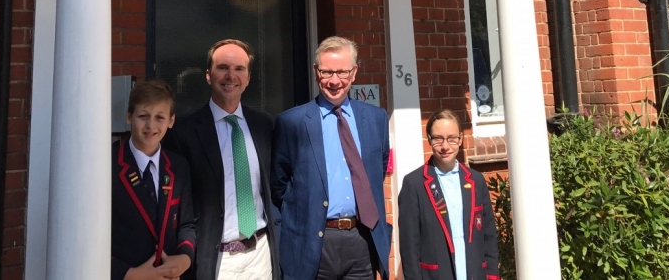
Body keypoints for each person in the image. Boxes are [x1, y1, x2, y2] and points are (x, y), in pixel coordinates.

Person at [272, 36, 391, 280]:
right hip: (313, 243)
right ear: (316, 72)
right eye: (327, 72)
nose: (334, 81)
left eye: (342, 72)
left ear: (354, 72)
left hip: (362, 240)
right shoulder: (291, 122)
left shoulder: (377, 119)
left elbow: (376, 171)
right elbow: (279, 185)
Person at [167, 39, 279, 280]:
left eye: (239, 69)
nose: (231, 76)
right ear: (208, 75)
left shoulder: (264, 125)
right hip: (216, 261)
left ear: (248, 78)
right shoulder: (184, 134)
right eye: (222, 68)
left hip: (261, 255)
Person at [397, 110, 500, 280]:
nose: (445, 146)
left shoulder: (476, 180)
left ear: (460, 139)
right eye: (438, 138)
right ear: (429, 139)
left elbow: (488, 237)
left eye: (452, 138)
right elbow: (409, 247)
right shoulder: (414, 184)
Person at [112, 80, 196, 280]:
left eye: (160, 117)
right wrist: (130, 274)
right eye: (143, 116)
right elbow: (89, 236)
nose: (151, 126)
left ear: (171, 121)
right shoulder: (107, 166)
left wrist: (185, 258)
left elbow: (187, 224)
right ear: (129, 117)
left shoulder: (178, 167)